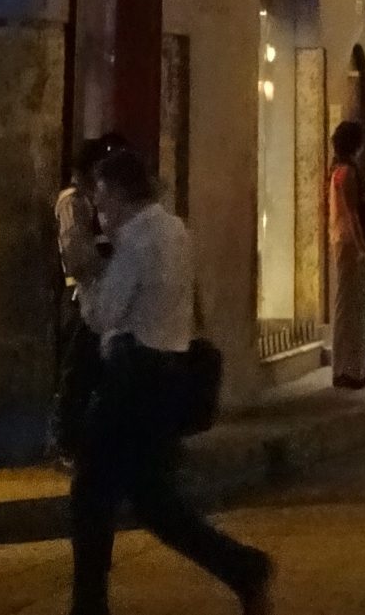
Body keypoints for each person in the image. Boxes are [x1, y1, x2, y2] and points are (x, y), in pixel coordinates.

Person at [62, 144, 271, 615]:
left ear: (118, 193)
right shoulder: (174, 229)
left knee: (91, 494)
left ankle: (89, 605)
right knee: (154, 501)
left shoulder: (137, 240)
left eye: (102, 199)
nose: (100, 212)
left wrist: (86, 276)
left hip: (132, 379)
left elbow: (104, 315)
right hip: (165, 375)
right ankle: (242, 567)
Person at [52, 132, 127, 463]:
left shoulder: (94, 203)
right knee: (77, 371)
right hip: (79, 298)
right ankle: (67, 442)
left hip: (98, 296)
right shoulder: (72, 202)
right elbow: (77, 254)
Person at [329, 120, 365, 388]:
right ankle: (347, 370)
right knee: (351, 307)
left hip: (352, 246)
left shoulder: (341, 171)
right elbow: (352, 213)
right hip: (352, 248)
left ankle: (358, 369)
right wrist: (363, 247)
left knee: (357, 307)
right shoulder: (346, 173)